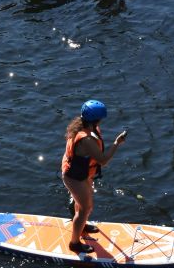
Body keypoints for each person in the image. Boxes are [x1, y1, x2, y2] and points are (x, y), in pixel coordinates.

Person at [61, 99, 127, 255]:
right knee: (85, 209)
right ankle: (74, 243)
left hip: (81, 173)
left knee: (82, 205)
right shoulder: (87, 139)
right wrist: (117, 143)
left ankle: (81, 226)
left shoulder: (82, 125)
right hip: (73, 176)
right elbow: (103, 161)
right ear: (97, 119)